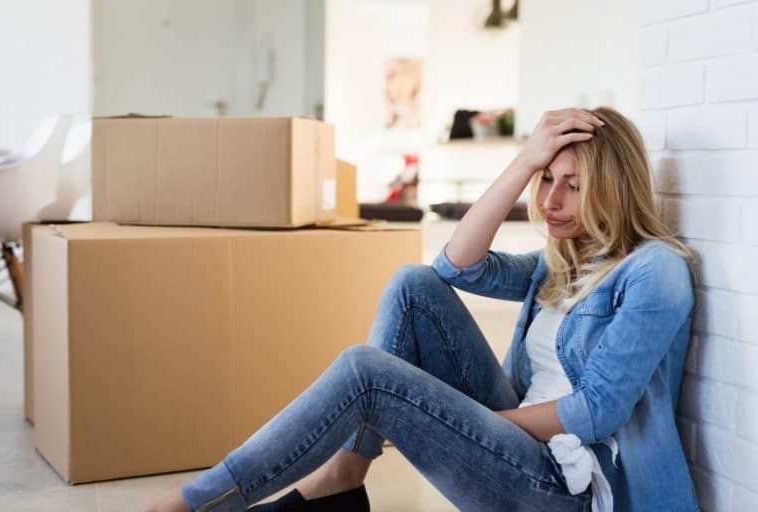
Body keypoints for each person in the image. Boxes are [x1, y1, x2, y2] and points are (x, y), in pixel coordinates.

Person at [146, 107, 698, 512]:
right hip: (522, 451)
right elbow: (457, 266)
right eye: (545, 180)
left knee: (368, 373)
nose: (549, 201)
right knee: (413, 284)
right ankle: (344, 474)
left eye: (572, 186)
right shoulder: (562, 263)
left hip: (570, 486)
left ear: (613, 189)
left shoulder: (655, 272)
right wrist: (522, 160)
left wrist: (478, 426)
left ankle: (194, 503)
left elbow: (596, 412)